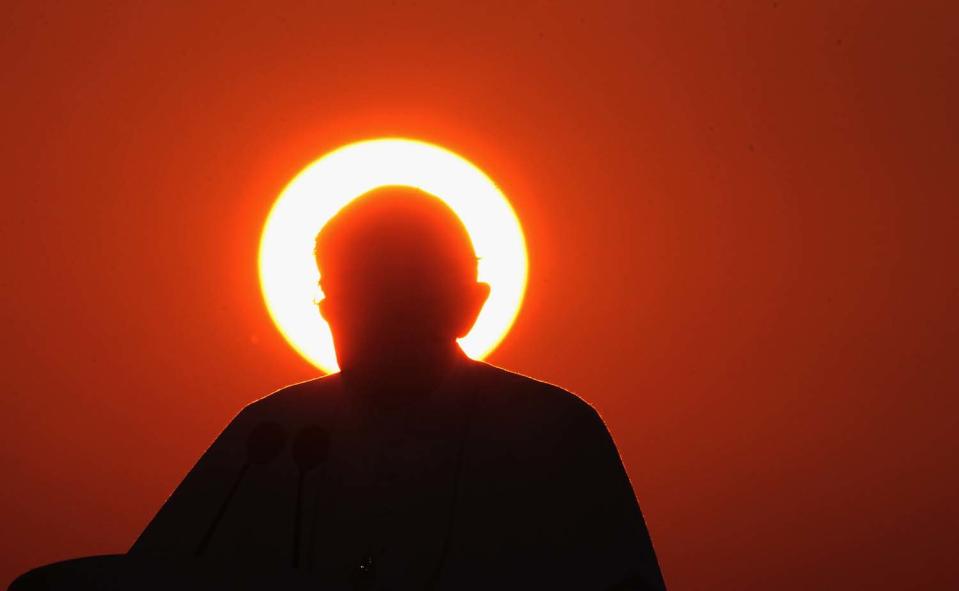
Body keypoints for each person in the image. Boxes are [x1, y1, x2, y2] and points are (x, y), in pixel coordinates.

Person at [128, 186, 667, 590]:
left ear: (470, 306)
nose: (380, 318)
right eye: (356, 294)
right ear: (326, 306)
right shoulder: (268, 439)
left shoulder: (555, 435)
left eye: (406, 296)